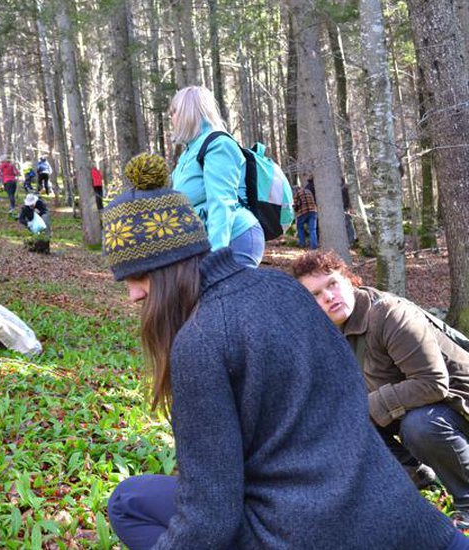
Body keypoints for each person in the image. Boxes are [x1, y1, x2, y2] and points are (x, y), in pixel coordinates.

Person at [104, 153, 468, 549]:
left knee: (128, 502)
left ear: (167, 269)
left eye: (138, 277)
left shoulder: (200, 340)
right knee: (134, 497)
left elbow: (210, 516)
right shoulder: (283, 290)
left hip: (305, 533)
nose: (133, 293)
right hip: (409, 523)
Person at [292, 250, 469, 528]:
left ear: (350, 281)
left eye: (332, 284)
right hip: (415, 410)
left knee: (420, 425)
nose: (327, 297)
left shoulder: (389, 314)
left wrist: (362, 408)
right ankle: (418, 480)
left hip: (456, 406)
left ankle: (467, 504)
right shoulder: (327, 335)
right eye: (315, 294)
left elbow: (432, 383)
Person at [169, 85, 264, 267]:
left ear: (188, 112)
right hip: (204, 245)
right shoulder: (189, 151)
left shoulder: (218, 144)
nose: (171, 118)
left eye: (174, 112)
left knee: (229, 296)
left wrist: (216, 257)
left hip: (235, 239)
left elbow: (222, 202)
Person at [293, 180, 319, 249]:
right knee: (312, 229)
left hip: (303, 212)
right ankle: (314, 246)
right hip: (313, 211)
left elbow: (295, 205)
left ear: (295, 190)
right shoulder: (308, 191)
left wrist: (295, 209)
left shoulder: (297, 194)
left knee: (299, 227)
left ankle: (302, 244)